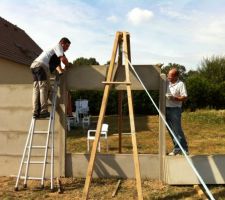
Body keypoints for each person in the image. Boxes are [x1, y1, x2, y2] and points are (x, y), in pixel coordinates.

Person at [30, 37, 71, 118]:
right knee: (44, 89)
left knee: (36, 89)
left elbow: (58, 64)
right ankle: (43, 111)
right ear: (62, 43)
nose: (67, 48)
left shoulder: (54, 50)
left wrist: (60, 70)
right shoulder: (58, 46)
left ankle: (35, 112)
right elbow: (63, 60)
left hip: (34, 66)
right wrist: (68, 65)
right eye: (66, 46)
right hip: (41, 66)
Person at [165, 68, 189, 155]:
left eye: (170, 76)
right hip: (165, 109)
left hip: (175, 109)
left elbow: (185, 97)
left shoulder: (180, 84)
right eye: (168, 75)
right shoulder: (167, 82)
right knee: (171, 130)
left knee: (177, 130)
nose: (168, 77)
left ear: (176, 76)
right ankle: (177, 149)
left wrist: (173, 98)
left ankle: (184, 149)